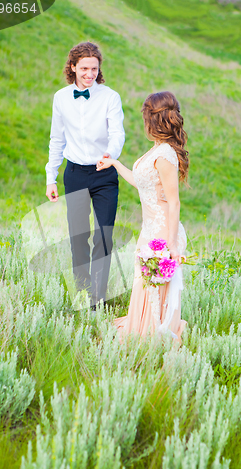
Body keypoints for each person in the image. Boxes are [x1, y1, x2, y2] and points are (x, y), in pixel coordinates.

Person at [97, 91, 188, 342]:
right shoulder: (157, 149)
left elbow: (174, 201)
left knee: (154, 289)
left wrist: (170, 244)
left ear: (153, 120)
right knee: (145, 284)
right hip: (149, 230)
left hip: (162, 233)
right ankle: (143, 329)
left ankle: (152, 335)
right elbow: (143, 183)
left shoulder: (166, 155)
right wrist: (114, 164)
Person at [45, 42, 125, 308]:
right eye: (84, 69)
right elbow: (56, 139)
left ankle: (97, 298)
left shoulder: (110, 97)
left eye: (94, 68)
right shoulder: (60, 97)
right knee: (78, 236)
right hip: (75, 173)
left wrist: (110, 155)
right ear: (73, 67)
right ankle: (82, 289)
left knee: (104, 235)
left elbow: (117, 133)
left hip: (104, 174)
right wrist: (51, 177)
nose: (90, 73)